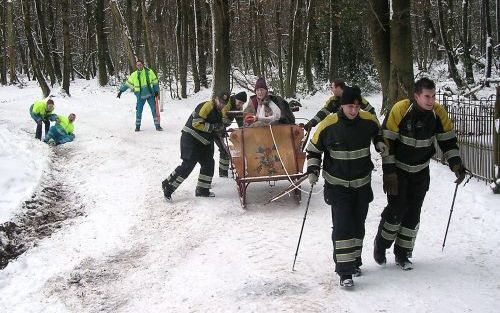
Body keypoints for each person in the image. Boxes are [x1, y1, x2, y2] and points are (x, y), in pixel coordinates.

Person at [373, 77, 466, 270]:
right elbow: (386, 142)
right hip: (398, 170)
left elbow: (447, 141)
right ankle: (381, 245)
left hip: (421, 172)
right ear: (416, 96)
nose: (431, 101)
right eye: (427, 96)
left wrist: (456, 164)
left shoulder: (438, 113)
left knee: (413, 214)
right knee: (397, 210)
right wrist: (389, 173)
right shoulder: (401, 109)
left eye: (433, 96)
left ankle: (403, 253)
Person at [306, 86, 387, 288]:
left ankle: (355, 262)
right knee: (343, 226)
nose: (354, 111)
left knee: (358, 224)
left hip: (362, 183)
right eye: (350, 106)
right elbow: (314, 150)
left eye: (357, 106)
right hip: (338, 185)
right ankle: (344, 272)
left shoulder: (368, 121)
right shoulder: (328, 124)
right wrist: (313, 170)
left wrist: (379, 143)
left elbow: (377, 132)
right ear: (342, 106)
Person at [161, 92, 229, 200]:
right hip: (190, 139)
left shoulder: (219, 113)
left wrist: (222, 133)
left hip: (203, 142)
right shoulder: (207, 106)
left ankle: (202, 190)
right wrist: (214, 127)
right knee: (188, 164)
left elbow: (217, 130)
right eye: (220, 102)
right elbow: (196, 123)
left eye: (224, 103)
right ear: (216, 99)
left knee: (209, 163)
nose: (221, 104)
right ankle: (168, 186)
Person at [304, 80, 376, 132]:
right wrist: (312, 123)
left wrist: (374, 127)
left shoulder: (355, 96)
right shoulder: (333, 100)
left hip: (355, 129)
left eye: (332, 87)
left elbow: (371, 110)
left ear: (338, 87)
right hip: (338, 130)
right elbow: (323, 112)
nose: (331, 89)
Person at [117, 59, 163, 132]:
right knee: (139, 111)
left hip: (150, 95)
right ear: (136, 66)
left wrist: (157, 91)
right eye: (138, 65)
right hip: (140, 96)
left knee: (154, 110)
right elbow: (127, 84)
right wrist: (121, 91)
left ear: (143, 65)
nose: (139, 66)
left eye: (140, 64)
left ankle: (158, 126)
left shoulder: (149, 72)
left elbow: (155, 82)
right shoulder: (134, 75)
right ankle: (137, 126)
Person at [216, 91, 247, 177]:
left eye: (242, 103)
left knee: (225, 150)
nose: (240, 105)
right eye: (240, 102)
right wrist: (223, 132)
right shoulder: (227, 104)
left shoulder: (239, 108)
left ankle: (223, 172)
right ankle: (223, 174)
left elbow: (240, 122)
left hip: (222, 128)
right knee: (224, 149)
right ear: (235, 99)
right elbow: (220, 120)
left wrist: (243, 131)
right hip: (215, 129)